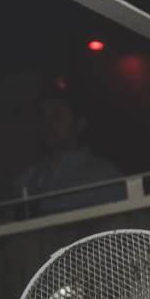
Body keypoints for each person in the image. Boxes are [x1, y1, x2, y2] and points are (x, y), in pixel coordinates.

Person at [14, 86, 123, 215]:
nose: (48, 124)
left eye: (57, 116)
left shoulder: (103, 176)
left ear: (80, 123)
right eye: (43, 116)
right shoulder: (28, 179)